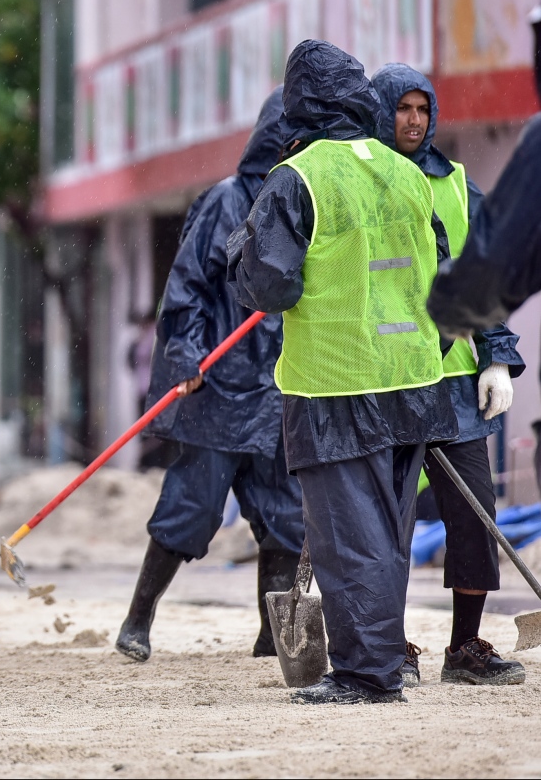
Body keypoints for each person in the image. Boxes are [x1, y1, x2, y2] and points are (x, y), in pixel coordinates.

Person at [229, 40, 457, 704]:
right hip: (413, 380)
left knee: (347, 536)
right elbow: (437, 269)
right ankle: (380, 659)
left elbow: (269, 285)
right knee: (385, 536)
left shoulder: (298, 177)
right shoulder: (407, 173)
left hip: (335, 384)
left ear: (298, 102)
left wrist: (246, 247)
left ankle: (367, 674)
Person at [116, 87, 304, 663]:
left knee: (285, 518)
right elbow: (188, 287)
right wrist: (186, 355)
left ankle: (272, 638)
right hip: (220, 390)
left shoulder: (303, 204)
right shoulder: (225, 202)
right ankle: (138, 620)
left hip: (278, 393)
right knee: (190, 508)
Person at [371, 63, 525, 686]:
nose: (412, 120)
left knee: (474, 513)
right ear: (382, 113)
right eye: (402, 109)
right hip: (383, 381)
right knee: (389, 519)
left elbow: (485, 276)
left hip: (456, 383)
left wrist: (496, 355)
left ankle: (464, 648)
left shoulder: (460, 187)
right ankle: (389, 646)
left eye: (421, 109)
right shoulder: (365, 183)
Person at [427, 112, 541, 337]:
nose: (415, 120)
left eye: (423, 109)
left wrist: (450, 306)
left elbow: (495, 259)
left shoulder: (455, 178)